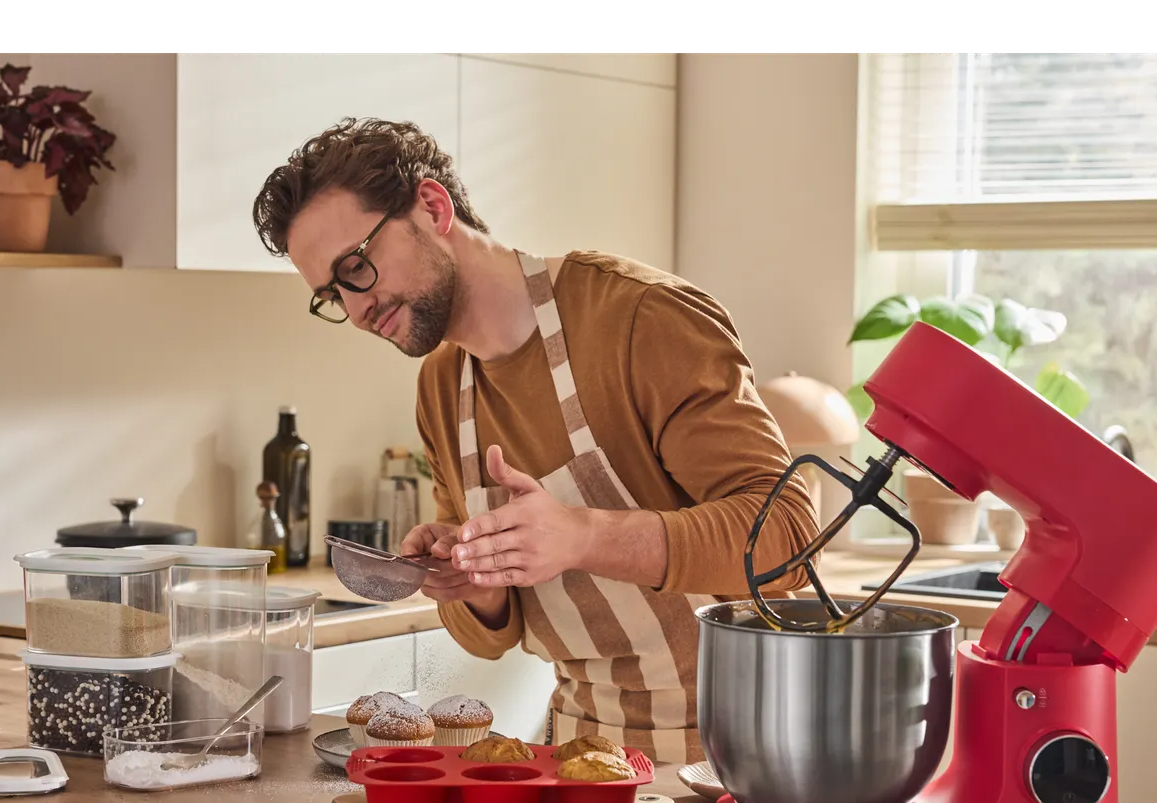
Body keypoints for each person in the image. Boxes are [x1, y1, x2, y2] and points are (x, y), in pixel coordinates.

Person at [252, 117, 821, 765]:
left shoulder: (639, 319)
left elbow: (788, 536)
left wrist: (583, 536)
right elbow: (492, 636)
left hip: (749, 750)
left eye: (356, 267)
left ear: (433, 207)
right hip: (586, 753)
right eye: (332, 295)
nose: (355, 310)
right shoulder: (442, 387)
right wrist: (472, 577)